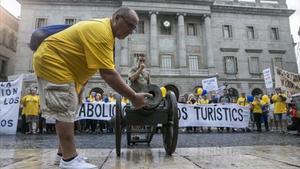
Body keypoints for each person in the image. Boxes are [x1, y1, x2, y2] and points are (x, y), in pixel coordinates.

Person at [33, 7, 150, 169]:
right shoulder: (102, 33)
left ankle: (63, 154)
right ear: (116, 18)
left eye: (134, 28)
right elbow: (108, 73)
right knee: (65, 107)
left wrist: (80, 90)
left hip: (64, 65)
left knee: (70, 107)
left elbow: (88, 64)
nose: (131, 31)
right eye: (130, 25)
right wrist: (134, 97)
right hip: (53, 60)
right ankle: (69, 160)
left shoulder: (106, 33)